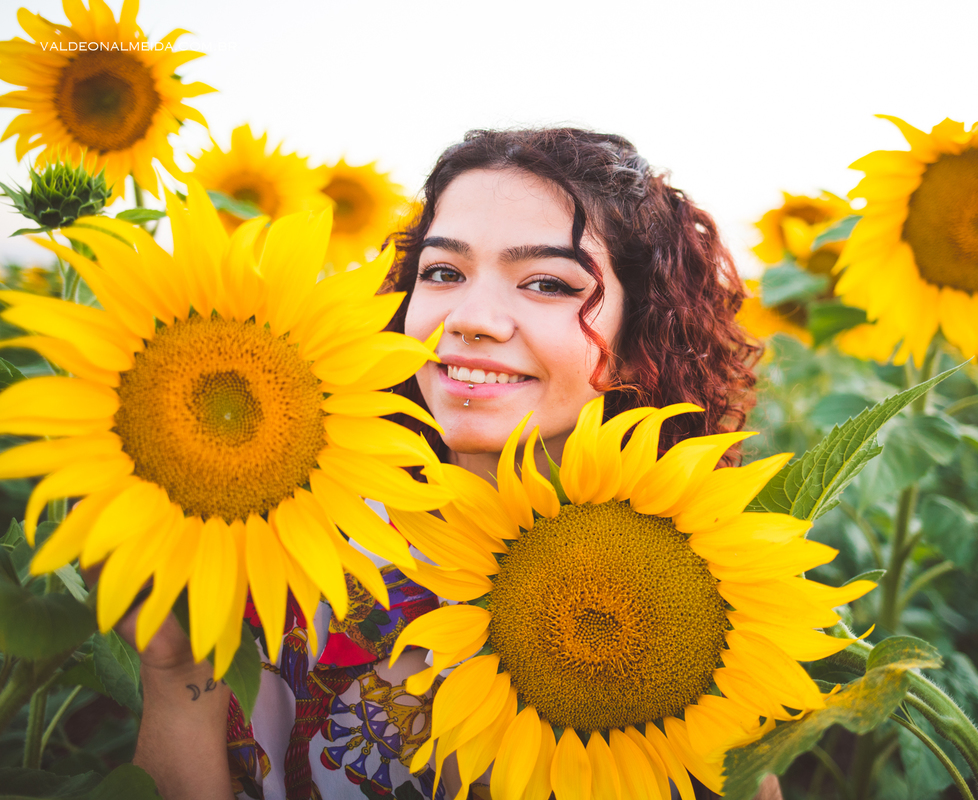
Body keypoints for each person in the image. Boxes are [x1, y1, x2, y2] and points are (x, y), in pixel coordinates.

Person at [119, 128, 767, 800]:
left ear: (638, 341)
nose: (471, 318)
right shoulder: (296, 551)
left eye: (546, 282)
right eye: (443, 273)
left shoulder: (714, 608)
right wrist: (174, 678)